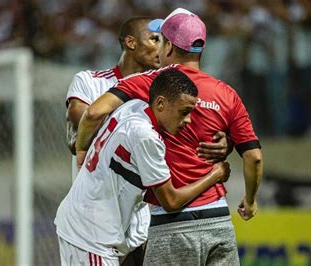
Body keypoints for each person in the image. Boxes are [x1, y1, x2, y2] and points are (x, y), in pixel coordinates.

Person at [76, 8, 263, 265]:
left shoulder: (152, 83)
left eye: (160, 41)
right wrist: (250, 201)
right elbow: (253, 157)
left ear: (170, 47)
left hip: (172, 224)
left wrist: (82, 149)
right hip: (219, 220)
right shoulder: (227, 94)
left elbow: (95, 112)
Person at [54, 69, 231, 266]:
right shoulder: (145, 137)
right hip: (91, 236)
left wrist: (81, 148)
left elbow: (94, 114)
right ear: (161, 103)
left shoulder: (132, 107)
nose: (188, 120)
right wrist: (216, 174)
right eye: (184, 112)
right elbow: (171, 201)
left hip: (86, 227)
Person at [65, 16, 161, 181]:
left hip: (142, 204)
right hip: (93, 202)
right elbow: (77, 139)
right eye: (154, 39)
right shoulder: (89, 81)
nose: (162, 48)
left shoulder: (162, 93)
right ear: (131, 42)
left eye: (164, 42)